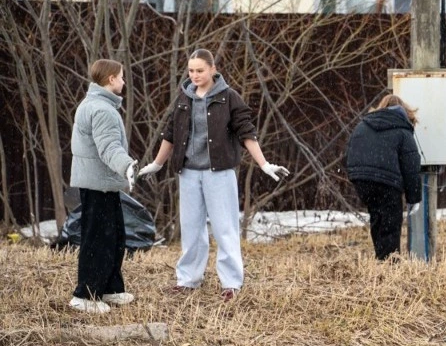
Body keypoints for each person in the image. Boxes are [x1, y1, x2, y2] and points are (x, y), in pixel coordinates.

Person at [137, 49, 290, 301]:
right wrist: (156, 163)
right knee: (191, 228)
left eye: (200, 70)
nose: (195, 75)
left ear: (212, 69)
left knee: (225, 227)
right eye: (191, 71)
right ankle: (188, 279)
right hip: (188, 173)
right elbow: (170, 133)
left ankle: (231, 283)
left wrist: (264, 164)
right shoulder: (183, 98)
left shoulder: (229, 98)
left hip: (219, 173)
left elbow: (246, 133)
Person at [69, 59, 139, 314]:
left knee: (114, 236)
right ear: (111, 79)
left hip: (102, 184)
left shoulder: (95, 104)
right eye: (121, 77)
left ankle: (110, 288)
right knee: (98, 239)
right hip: (98, 184)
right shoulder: (102, 110)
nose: (123, 82)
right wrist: (127, 166)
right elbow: (109, 147)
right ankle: (85, 295)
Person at [346, 95, 422, 261]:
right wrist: (414, 198)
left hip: (362, 180)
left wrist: (356, 176)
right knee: (391, 222)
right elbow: (411, 166)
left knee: (377, 218)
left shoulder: (363, 125)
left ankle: (381, 258)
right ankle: (390, 263)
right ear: (406, 112)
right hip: (387, 182)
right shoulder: (402, 130)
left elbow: (350, 151)